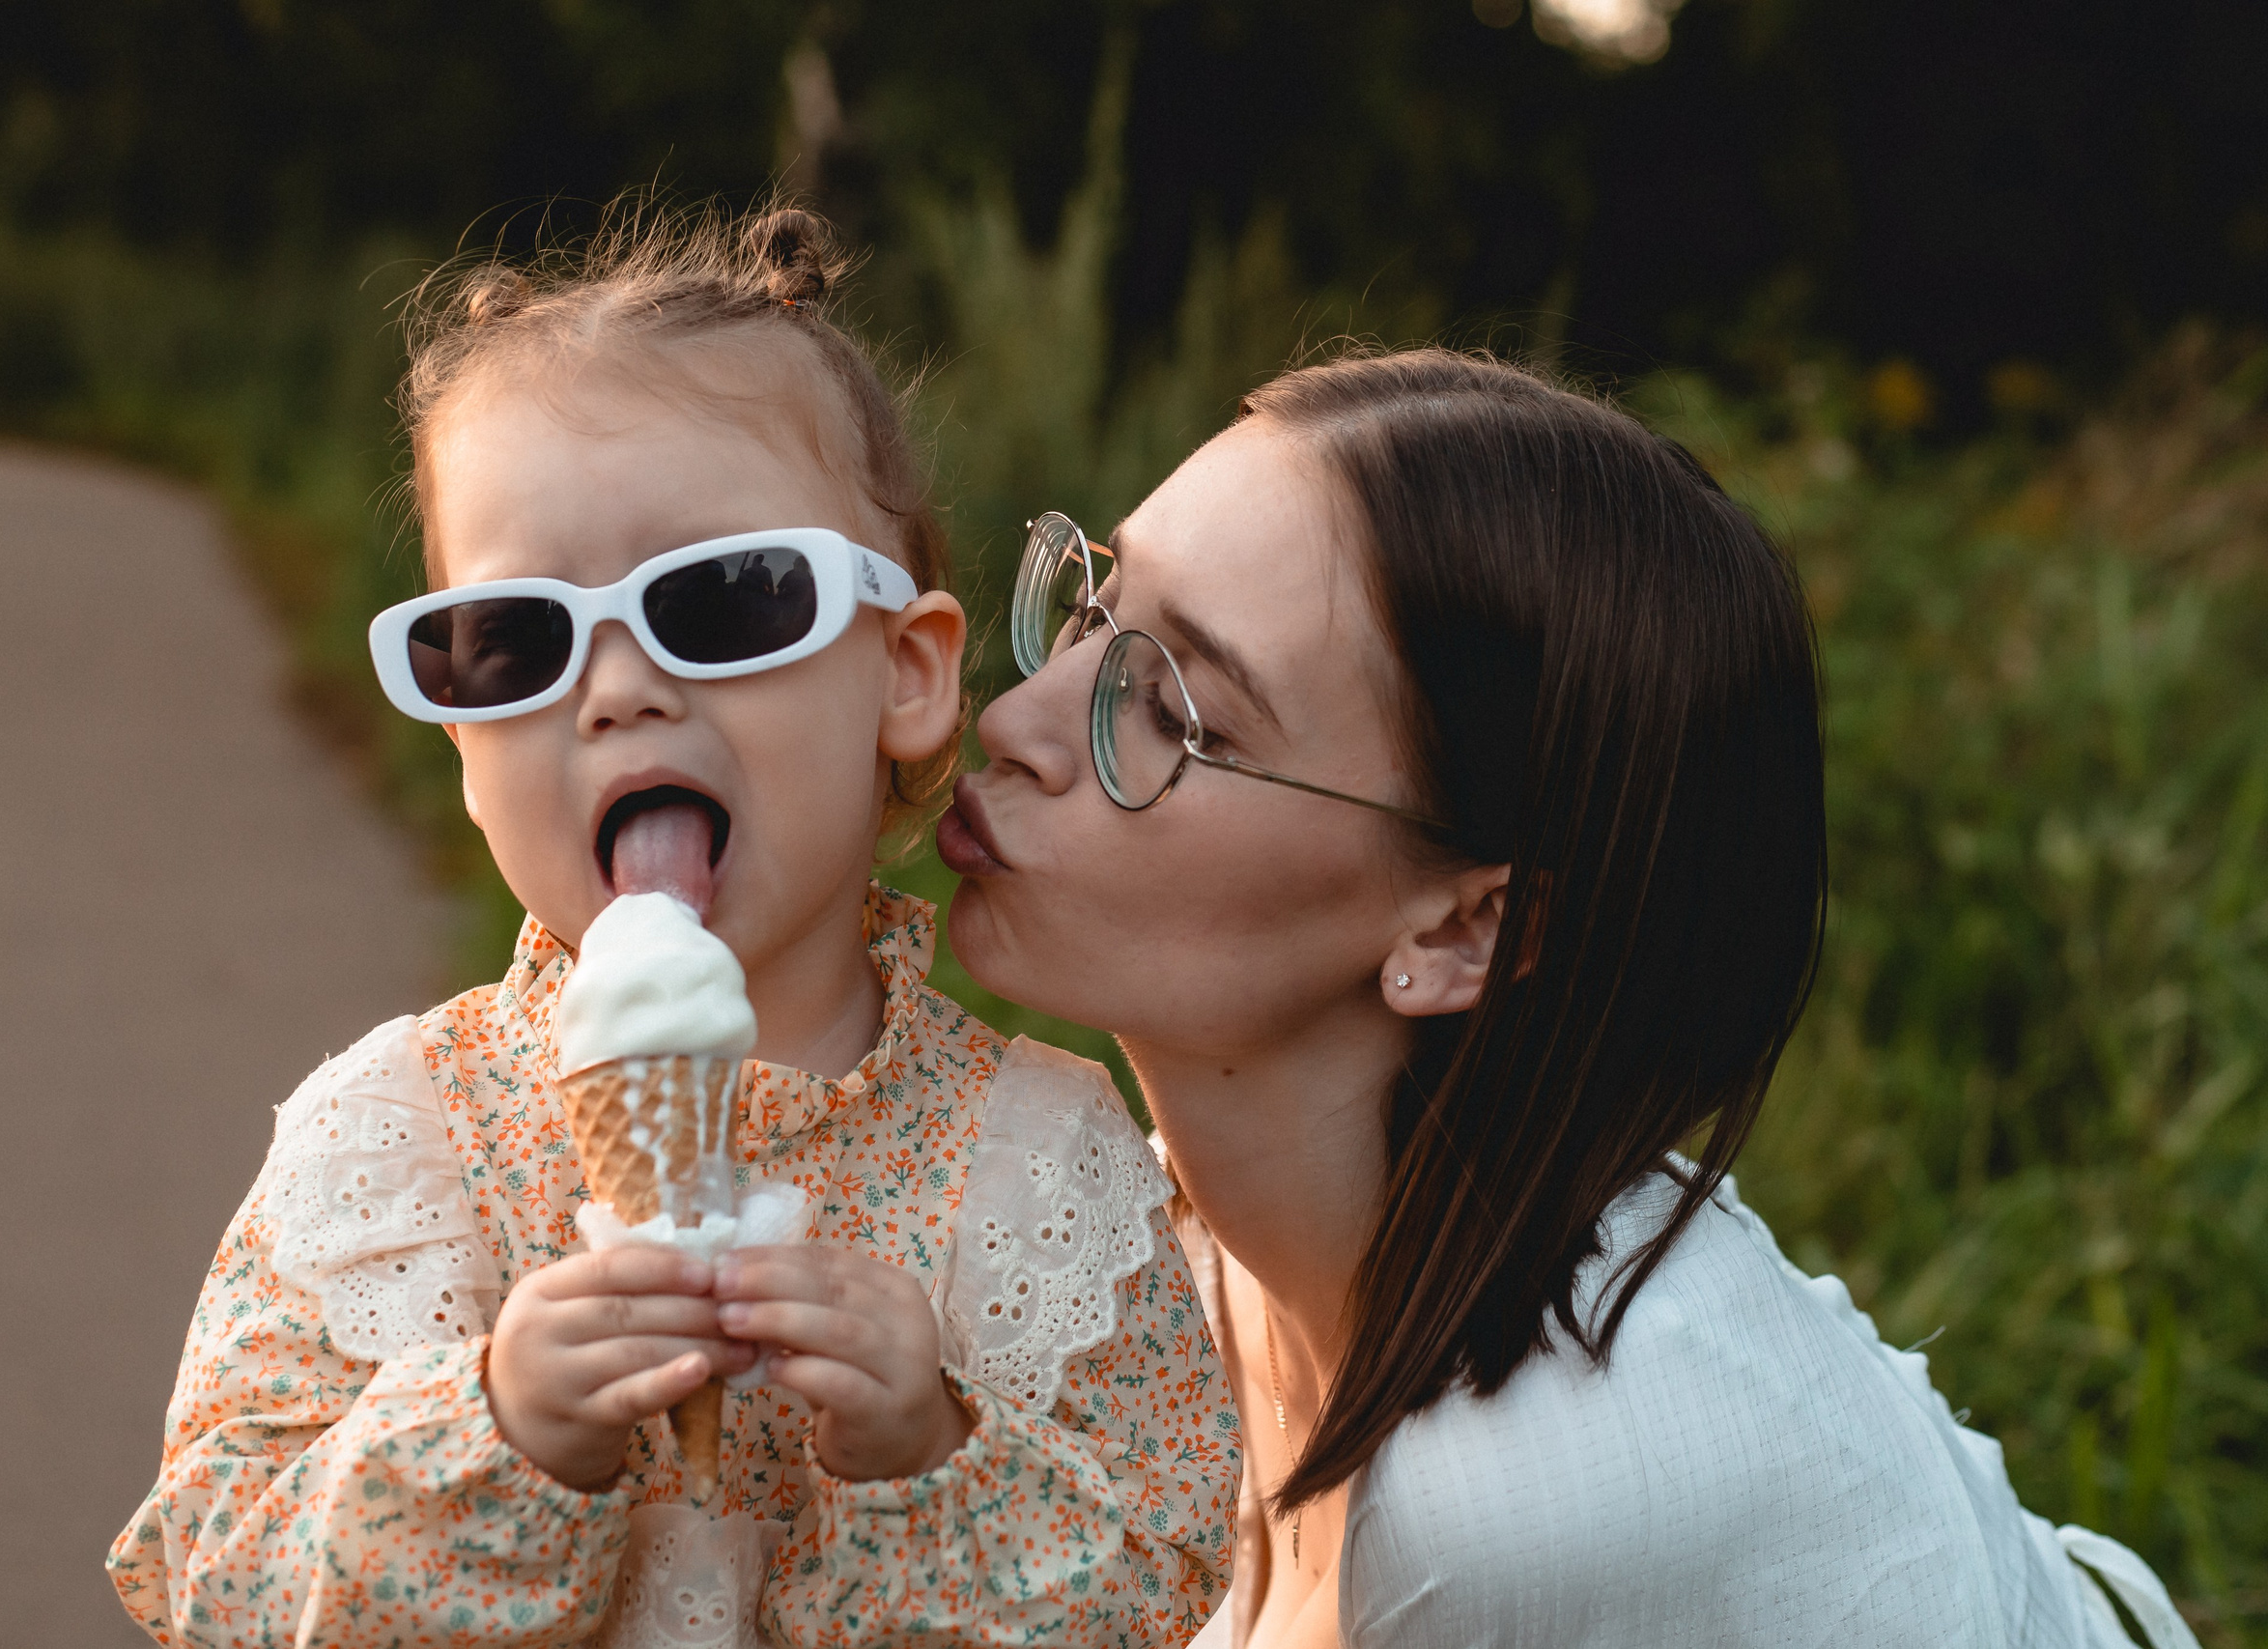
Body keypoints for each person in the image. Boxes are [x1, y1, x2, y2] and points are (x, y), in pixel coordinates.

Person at [933, 349, 2197, 1648]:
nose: (1019, 719)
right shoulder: (1204, 1251)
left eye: (1172, 712)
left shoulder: (1507, 1503)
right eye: (1093, 609)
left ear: (1465, 925)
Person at [108, 205, 1238, 1648]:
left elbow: (1169, 1580)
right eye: (513, 641)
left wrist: (935, 1454)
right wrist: (496, 1431)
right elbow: (227, 1581)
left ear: (906, 675)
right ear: (459, 739)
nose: (619, 690)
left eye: (724, 601)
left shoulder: (1049, 1163)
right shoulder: (393, 1142)